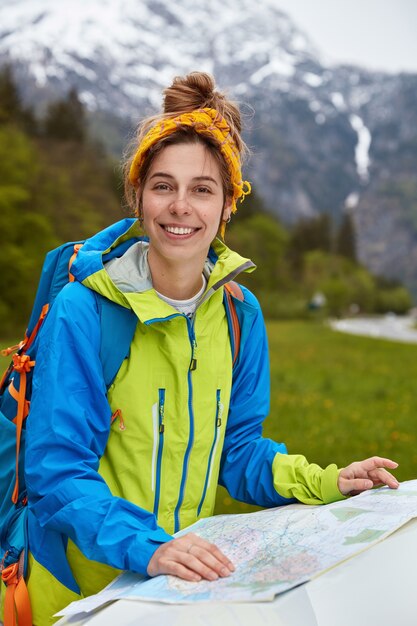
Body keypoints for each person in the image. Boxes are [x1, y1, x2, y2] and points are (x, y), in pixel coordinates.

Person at [18, 72, 398, 625]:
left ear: (226, 207)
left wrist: (326, 481)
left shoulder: (241, 315)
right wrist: (149, 547)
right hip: (83, 597)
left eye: (202, 189)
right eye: (163, 185)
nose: (181, 206)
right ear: (139, 196)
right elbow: (58, 471)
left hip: (183, 592)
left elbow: (237, 452)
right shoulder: (87, 310)